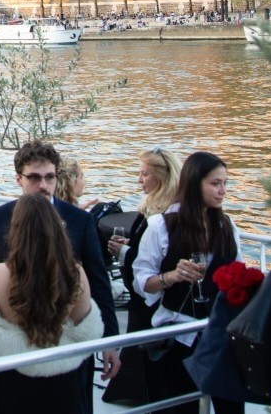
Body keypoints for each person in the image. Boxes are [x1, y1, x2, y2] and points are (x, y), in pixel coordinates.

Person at [0, 141, 120, 388]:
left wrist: (110, 341)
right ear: (18, 179)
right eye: (34, 178)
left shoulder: (80, 220)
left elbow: (99, 282)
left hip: (70, 346)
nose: (43, 185)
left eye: (49, 177)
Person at [0, 194, 104, 414]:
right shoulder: (76, 273)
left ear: (16, 229)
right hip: (60, 380)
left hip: (12, 381)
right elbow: (84, 333)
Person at [132, 151, 242, 414]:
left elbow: (238, 272)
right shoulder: (160, 226)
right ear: (194, 183)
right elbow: (142, 281)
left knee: (232, 406)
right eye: (215, 183)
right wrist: (171, 276)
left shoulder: (227, 227)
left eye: (225, 183)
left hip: (219, 334)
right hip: (179, 336)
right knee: (183, 407)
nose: (222, 191)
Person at [102, 146, 181, 406]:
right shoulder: (157, 209)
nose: (139, 180)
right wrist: (131, 244)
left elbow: (156, 259)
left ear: (161, 177)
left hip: (149, 295)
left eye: (144, 174)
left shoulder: (163, 215)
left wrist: (125, 252)